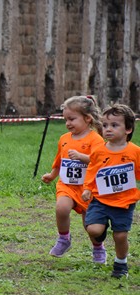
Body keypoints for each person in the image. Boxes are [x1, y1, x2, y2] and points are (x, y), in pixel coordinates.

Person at [41, 96, 105, 261]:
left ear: (87, 118)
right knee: (61, 208)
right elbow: (59, 161)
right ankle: (64, 238)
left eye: (72, 119)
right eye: (65, 119)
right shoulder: (64, 139)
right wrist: (52, 175)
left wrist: (81, 157)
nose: (68, 123)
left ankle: (98, 248)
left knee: (89, 224)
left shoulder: (95, 139)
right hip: (67, 185)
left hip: (88, 187)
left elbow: (100, 161)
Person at [82, 104, 140, 278]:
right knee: (93, 230)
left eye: (114, 125)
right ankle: (101, 232)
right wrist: (87, 189)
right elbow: (92, 171)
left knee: (120, 236)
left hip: (124, 203)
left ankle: (121, 263)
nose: (108, 129)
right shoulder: (98, 151)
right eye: (105, 125)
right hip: (100, 200)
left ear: (128, 129)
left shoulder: (135, 152)